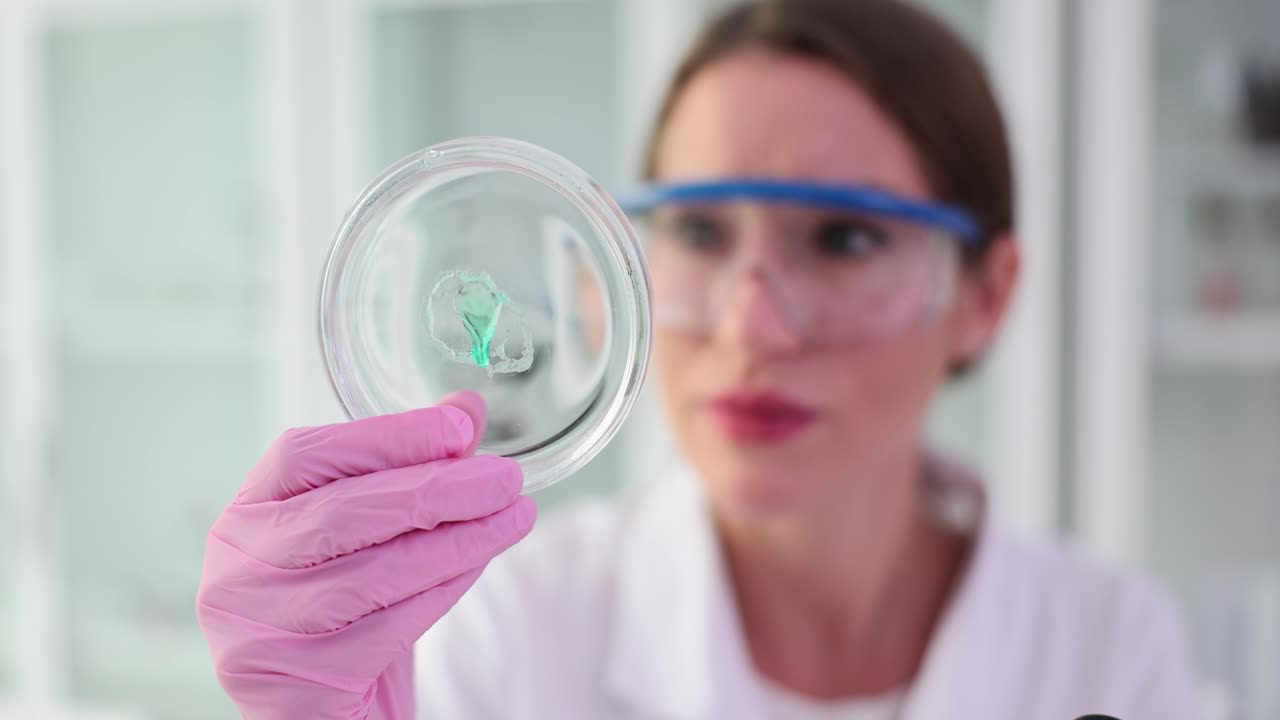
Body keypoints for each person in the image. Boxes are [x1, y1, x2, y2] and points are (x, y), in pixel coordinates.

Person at [196, 1, 1203, 718]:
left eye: (844, 239)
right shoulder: (505, 624)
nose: (751, 327)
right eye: (699, 233)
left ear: (983, 296)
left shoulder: (1109, 651)